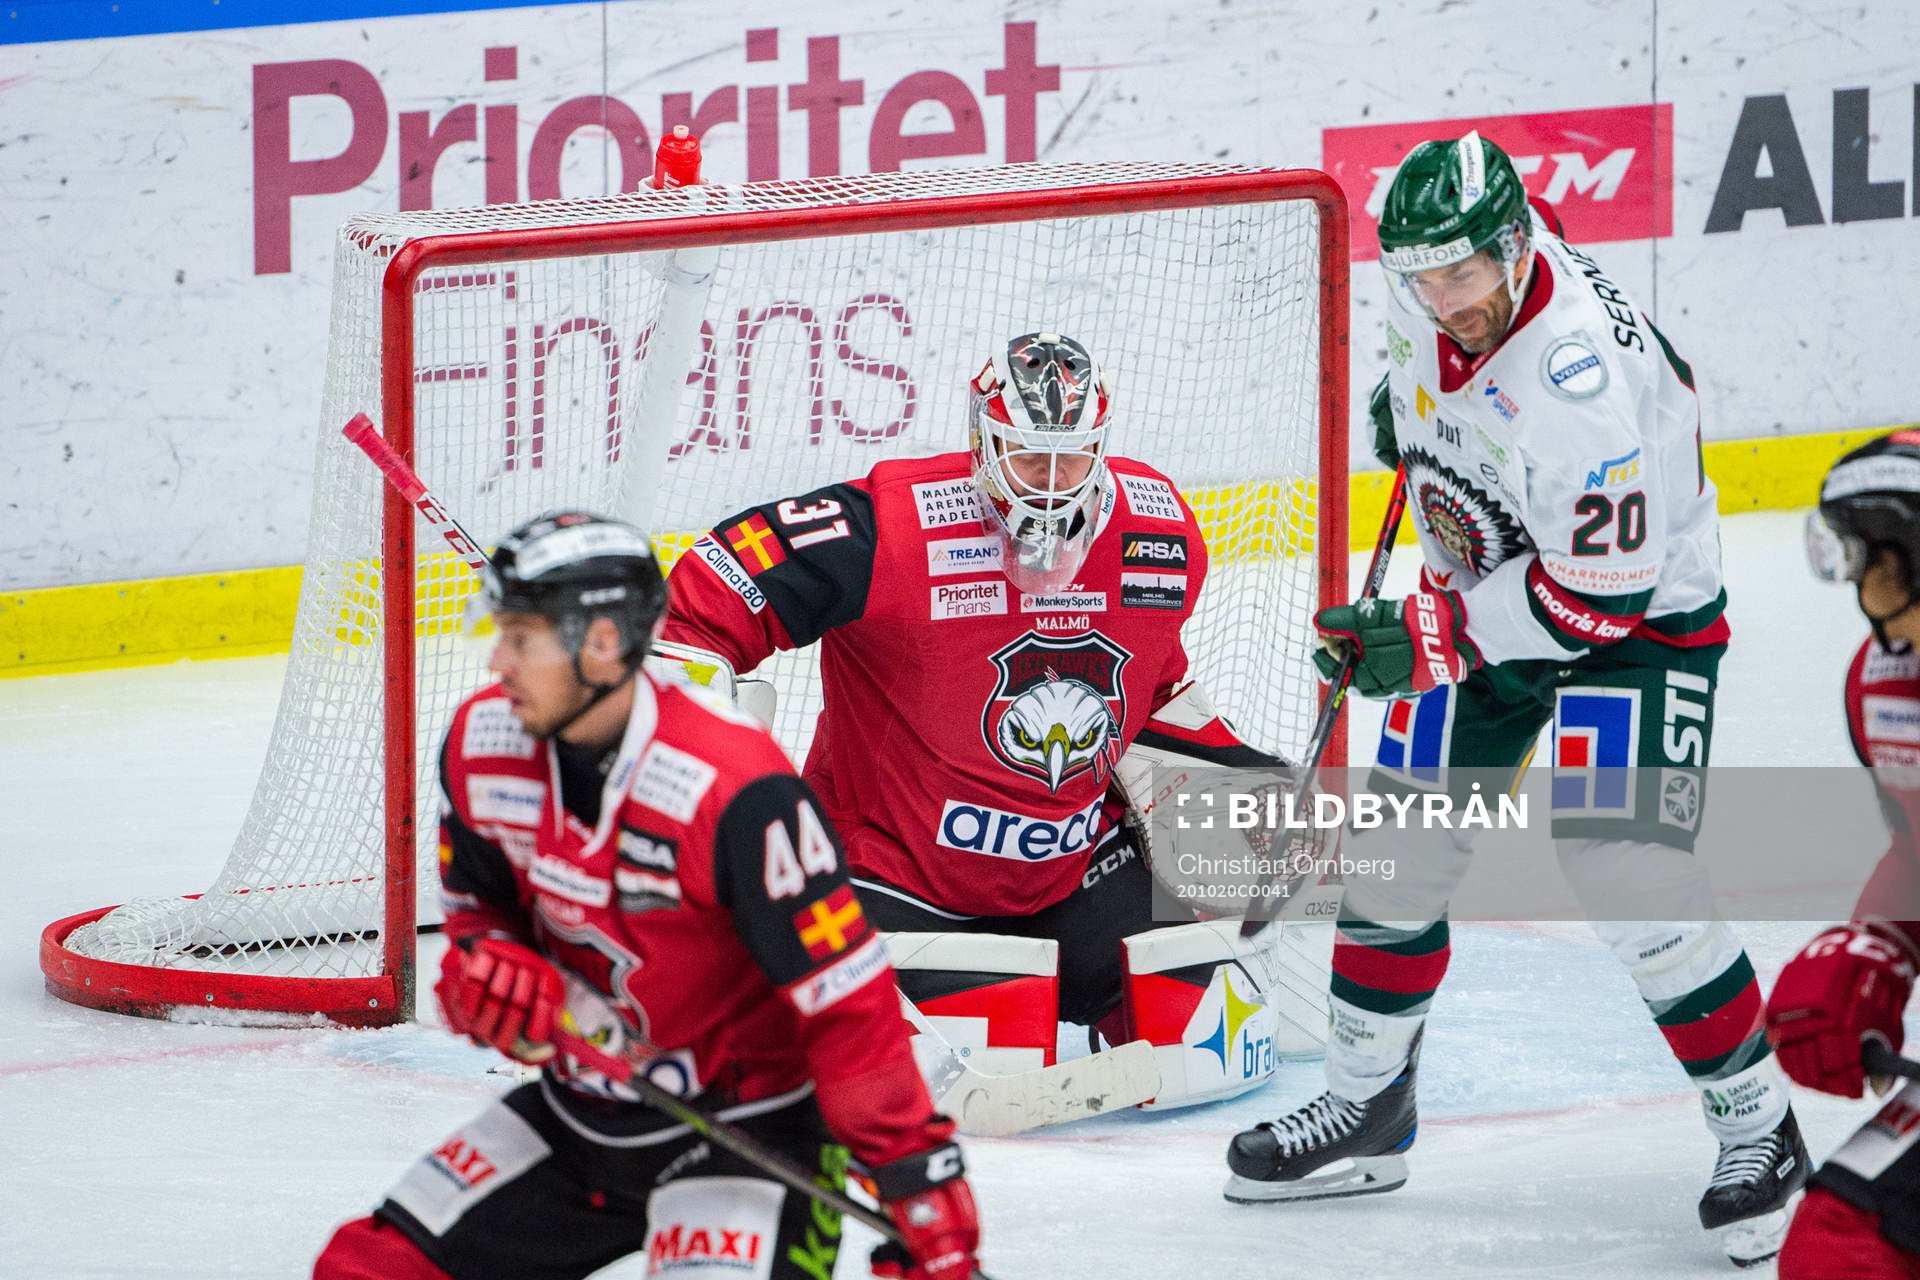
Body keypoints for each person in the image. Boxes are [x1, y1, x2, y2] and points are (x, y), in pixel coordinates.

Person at [1223, 132, 1805, 1265]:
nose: (1447, 301)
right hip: (1496, 584)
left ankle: (1762, 1130)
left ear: (1517, 243)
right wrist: (1418, 434)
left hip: (1639, 628)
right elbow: (1428, 405)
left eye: (1466, 275)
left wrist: (1426, 636)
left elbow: (1603, 597)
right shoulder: (1426, 294)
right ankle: (1366, 1107)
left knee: (1626, 864)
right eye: (1424, 277)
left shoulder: (1574, 379)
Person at [313, 512, 980, 1280]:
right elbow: (478, 911)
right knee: (368, 1270)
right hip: (580, 1121)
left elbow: (846, 1001)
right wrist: (491, 967)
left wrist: (917, 1179)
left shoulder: (735, 790)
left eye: (521, 639)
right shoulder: (479, 743)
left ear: (600, 645)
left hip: (751, 1137)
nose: (497, 661)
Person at [660, 332, 1294, 1112]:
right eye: (1030, 457)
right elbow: (715, 581)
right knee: (955, 1050)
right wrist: (693, 723)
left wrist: (1240, 780)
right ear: (983, 444)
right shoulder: (895, 526)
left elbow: (1149, 693)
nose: (1054, 484)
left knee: (1212, 1023)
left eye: (1074, 456)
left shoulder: (1157, 537)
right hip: (897, 881)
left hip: (1070, 873)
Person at [1766, 433, 1920, 1279]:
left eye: (1872, 556)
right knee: (1840, 1244)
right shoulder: (1882, 688)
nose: (1859, 584)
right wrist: (1878, 950)